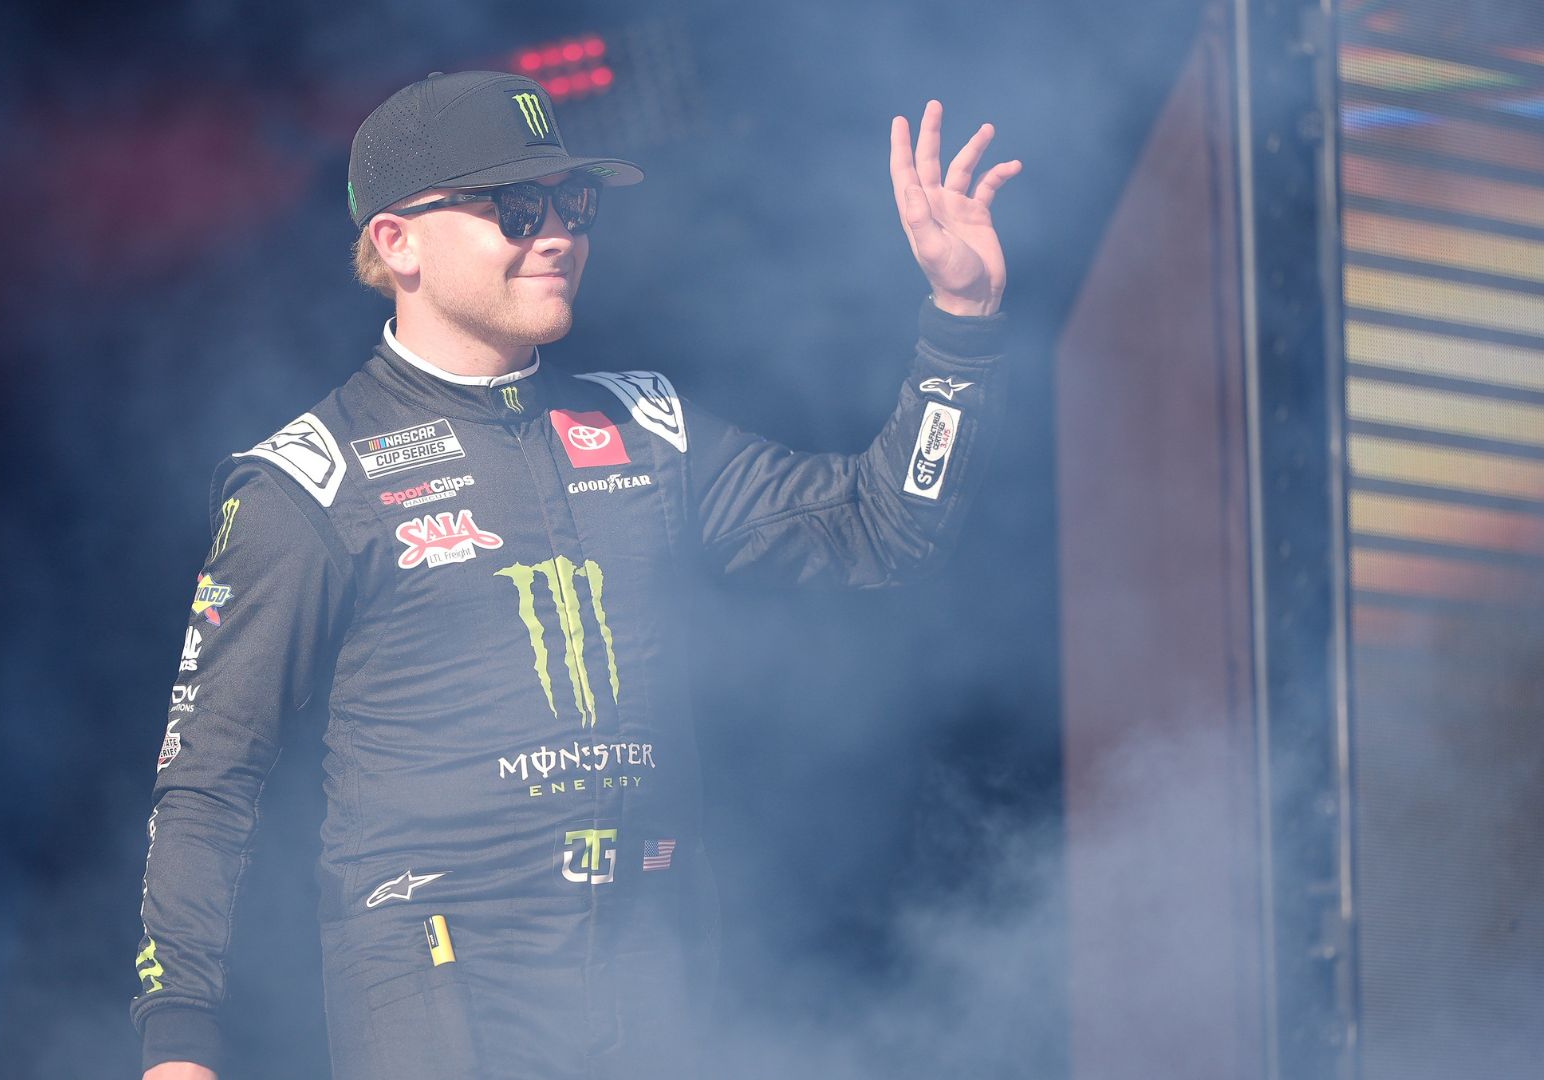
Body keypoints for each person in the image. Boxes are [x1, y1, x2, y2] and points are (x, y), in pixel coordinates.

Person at [132, 69, 1020, 1080]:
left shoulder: (646, 426)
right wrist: (178, 1042)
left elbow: (883, 529)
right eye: (514, 207)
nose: (555, 233)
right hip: (440, 992)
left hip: (654, 970)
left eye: (572, 203)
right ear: (397, 242)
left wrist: (961, 319)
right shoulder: (308, 482)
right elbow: (206, 781)